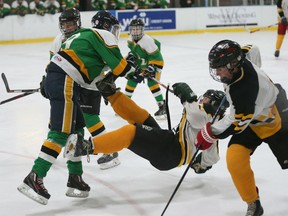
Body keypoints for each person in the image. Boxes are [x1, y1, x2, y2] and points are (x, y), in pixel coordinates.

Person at [17, 10, 141, 205]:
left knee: (76, 132)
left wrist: (47, 81)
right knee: (60, 133)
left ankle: (75, 178)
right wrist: (135, 68)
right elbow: (120, 68)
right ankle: (35, 176)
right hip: (66, 80)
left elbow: (92, 72)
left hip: (68, 81)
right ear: (108, 27)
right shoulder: (102, 34)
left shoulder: (82, 35)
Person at [195, 39, 288, 216]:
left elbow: (234, 121)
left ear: (232, 65)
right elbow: (254, 48)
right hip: (253, 119)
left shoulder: (246, 91)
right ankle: (253, 203)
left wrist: (209, 133)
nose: (217, 72)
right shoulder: (241, 63)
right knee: (235, 160)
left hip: (277, 119)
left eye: (220, 67)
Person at [64, 82, 229, 174]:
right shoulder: (214, 123)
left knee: (131, 132)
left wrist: (188, 95)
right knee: (142, 117)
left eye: (207, 99)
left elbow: (194, 115)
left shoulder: (208, 118)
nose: (203, 100)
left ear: (216, 106)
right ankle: (111, 94)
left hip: (171, 152)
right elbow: (213, 157)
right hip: (170, 144)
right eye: (204, 97)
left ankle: (85, 147)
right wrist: (202, 164)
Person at [47, 8, 120, 170]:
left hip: (90, 83)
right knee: (59, 115)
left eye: (71, 23)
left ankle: (110, 150)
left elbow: (105, 62)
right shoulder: (58, 40)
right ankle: (52, 146)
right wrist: (48, 80)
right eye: (64, 24)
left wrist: (109, 80)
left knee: (89, 117)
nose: (67, 27)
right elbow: (53, 62)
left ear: (78, 22)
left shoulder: (88, 35)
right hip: (69, 83)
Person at [125, 18, 167, 120]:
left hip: (153, 65)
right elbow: (136, 53)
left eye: (138, 29)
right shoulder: (130, 40)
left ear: (142, 30)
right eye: (133, 29)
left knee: (152, 83)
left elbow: (158, 57)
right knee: (131, 81)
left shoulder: (147, 41)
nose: (135, 31)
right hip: (141, 65)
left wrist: (152, 68)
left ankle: (162, 106)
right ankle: (124, 104)